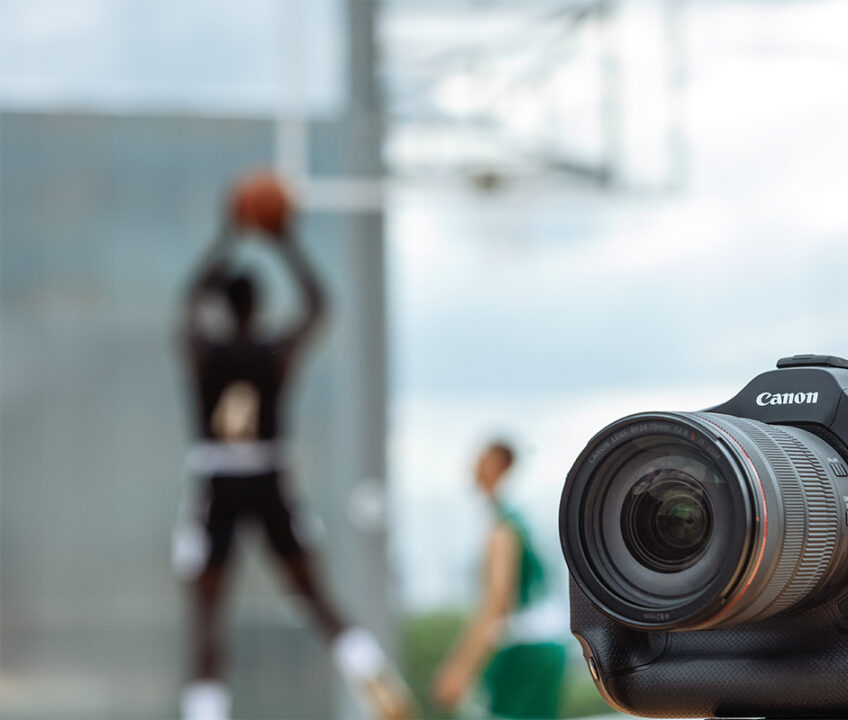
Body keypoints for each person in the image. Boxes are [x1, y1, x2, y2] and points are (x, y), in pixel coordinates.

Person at [175, 173, 413, 720]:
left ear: (221, 302)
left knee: (208, 613)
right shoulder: (273, 351)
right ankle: (370, 673)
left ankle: (204, 712)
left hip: (217, 481)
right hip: (267, 477)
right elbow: (318, 304)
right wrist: (284, 241)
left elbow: (188, 304)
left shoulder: (203, 351)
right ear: (257, 304)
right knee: (313, 595)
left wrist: (226, 236)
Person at [432, 442, 567, 719]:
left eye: (481, 459)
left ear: (498, 465)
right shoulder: (517, 519)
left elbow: (496, 602)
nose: (474, 467)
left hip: (525, 649)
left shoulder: (503, 526)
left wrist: (461, 668)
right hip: (546, 646)